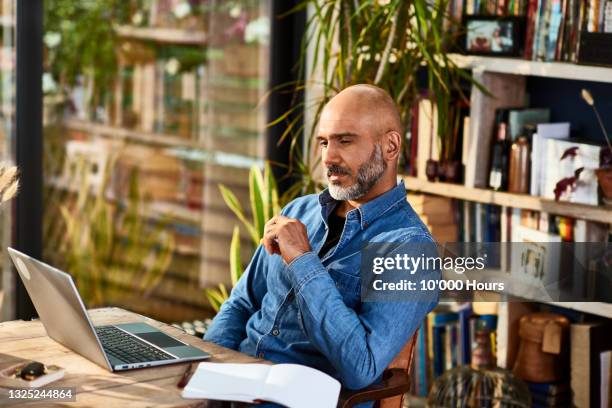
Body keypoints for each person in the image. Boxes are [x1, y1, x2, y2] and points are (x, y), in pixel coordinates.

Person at [204, 84, 439, 394]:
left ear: (391, 146)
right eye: (324, 142)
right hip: (233, 386)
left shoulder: (410, 249)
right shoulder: (299, 211)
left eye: (345, 140)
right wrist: (208, 366)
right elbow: (242, 303)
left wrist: (303, 260)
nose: (328, 157)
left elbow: (361, 366)